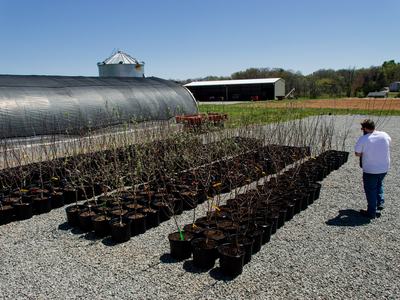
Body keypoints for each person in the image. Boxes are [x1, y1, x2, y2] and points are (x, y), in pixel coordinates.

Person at [355, 119, 391, 219]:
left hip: (371, 169)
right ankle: (380, 203)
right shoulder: (384, 134)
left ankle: (371, 212)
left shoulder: (363, 139)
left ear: (366, 128)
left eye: (362, 128)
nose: (362, 130)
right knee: (379, 183)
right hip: (384, 167)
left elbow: (357, 153)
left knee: (370, 189)